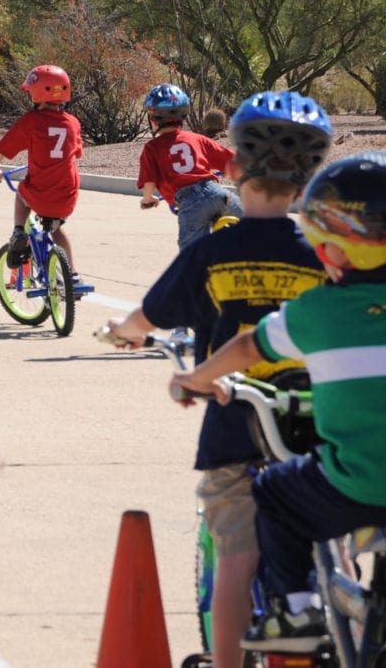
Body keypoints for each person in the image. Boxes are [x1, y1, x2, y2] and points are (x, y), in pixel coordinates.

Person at [173, 151, 386, 661]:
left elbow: (249, 348)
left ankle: (298, 607)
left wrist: (195, 378)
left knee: (272, 493)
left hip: (357, 479)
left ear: (331, 245)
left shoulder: (318, 310)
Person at [106, 90, 333, 667]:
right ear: (310, 181)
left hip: (237, 421)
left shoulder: (211, 255)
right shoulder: (327, 254)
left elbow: (147, 318)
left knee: (235, 553)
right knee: (331, 537)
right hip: (318, 421)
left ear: (233, 168)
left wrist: (124, 331)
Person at [0, 64, 85, 281]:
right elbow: (76, 153)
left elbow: (1, 149)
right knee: (57, 230)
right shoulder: (73, 123)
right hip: (67, 196)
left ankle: (18, 231)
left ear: (37, 94)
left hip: (40, 193)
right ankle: (73, 274)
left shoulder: (31, 121)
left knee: (22, 191)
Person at [137, 83, 242, 252]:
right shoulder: (197, 139)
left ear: (153, 119)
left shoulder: (152, 148)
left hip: (190, 203)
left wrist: (148, 199)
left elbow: (149, 181)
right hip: (218, 194)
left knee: (190, 256)